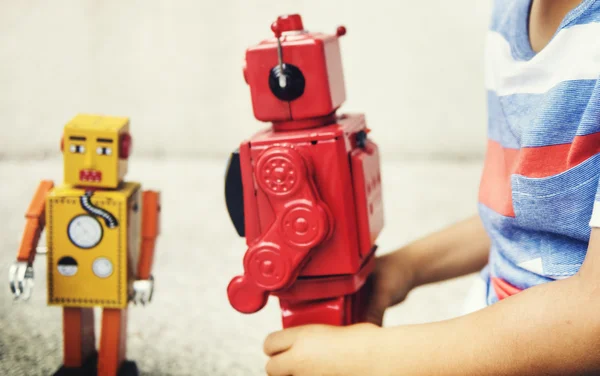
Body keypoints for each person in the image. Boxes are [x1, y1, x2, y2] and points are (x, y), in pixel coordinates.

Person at [262, 0, 600, 374]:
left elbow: (592, 315)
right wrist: (403, 269)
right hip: (504, 329)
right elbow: (529, 217)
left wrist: (373, 357)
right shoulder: (511, 13)